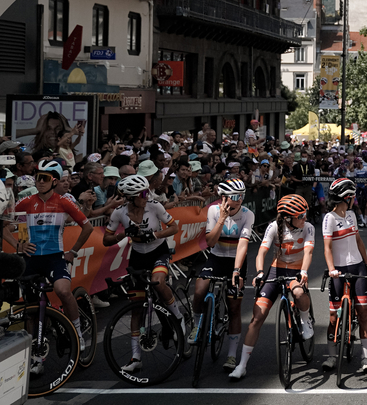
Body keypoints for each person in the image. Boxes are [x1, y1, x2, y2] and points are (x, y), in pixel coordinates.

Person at [14, 159, 93, 372]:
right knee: (31, 311)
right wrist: (19, 245)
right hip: (31, 259)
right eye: (37, 177)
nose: (39, 181)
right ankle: (36, 358)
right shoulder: (25, 203)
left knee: (63, 291)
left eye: (44, 178)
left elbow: (88, 228)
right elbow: (7, 225)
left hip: (55, 257)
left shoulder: (64, 202)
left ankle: (76, 332)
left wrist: (73, 251)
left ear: (54, 181)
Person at [103, 174, 185, 372]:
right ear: (131, 197)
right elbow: (106, 240)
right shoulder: (119, 213)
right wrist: (124, 234)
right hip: (138, 256)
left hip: (158, 251)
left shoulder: (154, 206)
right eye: (142, 193)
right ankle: (135, 357)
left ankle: (178, 319)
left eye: (146, 191)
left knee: (158, 281)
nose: (146, 195)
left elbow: (174, 227)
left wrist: (154, 234)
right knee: (136, 308)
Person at [231, 194, 314, 380]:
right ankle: (242, 365)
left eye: (304, 214)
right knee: (256, 318)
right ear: (287, 218)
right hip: (276, 271)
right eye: (300, 216)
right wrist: (260, 273)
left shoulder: (308, 227)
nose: (304, 218)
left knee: (299, 292)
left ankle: (305, 318)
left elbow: (308, 252)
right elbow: (261, 252)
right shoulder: (275, 227)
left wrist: (304, 272)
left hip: (295, 270)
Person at [187, 177, 254, 373]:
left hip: (236, 260)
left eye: (242, 195)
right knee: (200, 289)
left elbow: (243, 244)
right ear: (223, 198)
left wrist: (236, 271)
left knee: (234, 307)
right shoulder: (214, 211)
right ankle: (197, 323)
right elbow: (210, 242)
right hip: (216, 257)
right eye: (235, 196)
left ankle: (232, 355)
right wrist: (222, 219)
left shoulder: (247, 215)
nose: (239, 199)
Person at [322, 179, 367, 372]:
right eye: (353, 197)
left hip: (358, 267)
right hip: (339, 269)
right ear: (347, 198)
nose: (354, 200)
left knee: (362, 314)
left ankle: (366, 358)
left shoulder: (351, 214)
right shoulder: (330, 218)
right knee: (334, 316)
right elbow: (327, 248)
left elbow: (358, 241)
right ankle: (331, 356)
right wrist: (331, 268)